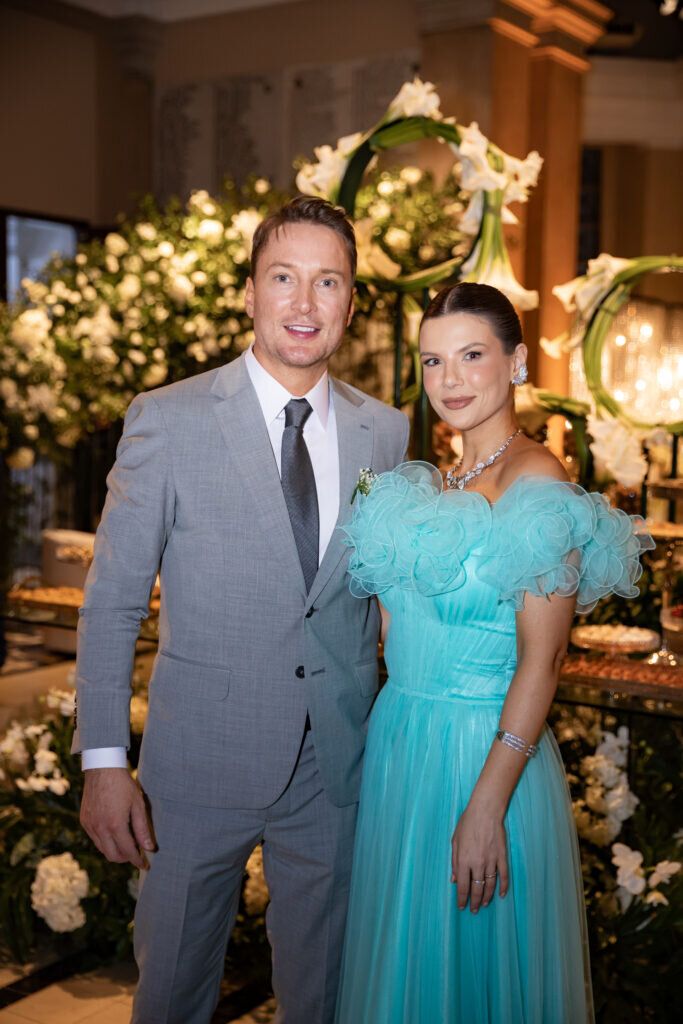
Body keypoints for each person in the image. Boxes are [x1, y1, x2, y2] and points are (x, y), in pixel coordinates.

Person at [72, 196, 409, 1024]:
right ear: (249, 292)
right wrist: (104, 763)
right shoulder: (168, 419)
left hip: (335, 768)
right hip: (198, 763)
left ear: (350, 303)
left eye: (327, 281)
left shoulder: (385, 433)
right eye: (283, 278)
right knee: (173, 993)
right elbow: (111, 602)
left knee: (322, 999)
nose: (305, 302)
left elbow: (378, 594)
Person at [334, 282, 654, 1024]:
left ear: (516, 362)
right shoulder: (430, 483)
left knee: (467, 980)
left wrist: (486, 805)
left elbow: (544, 661)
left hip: (480, 757)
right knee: (404, 972)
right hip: (401, 748)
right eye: (433, 361)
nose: (449, 379)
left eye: (471, 356)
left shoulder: (538, 484)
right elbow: (397, 627)